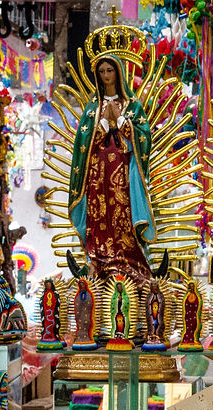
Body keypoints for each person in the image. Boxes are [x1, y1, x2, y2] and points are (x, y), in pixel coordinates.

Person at [67, 55, 155, 283]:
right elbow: (84, 145)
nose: (106, 75)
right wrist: (105, 122)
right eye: (102, 71)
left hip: (124, 174)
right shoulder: (93, 108)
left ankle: (130, 264)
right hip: (98, 176)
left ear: (118, 72)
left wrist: (122, 120)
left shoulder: (132, 105)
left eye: (110, 70)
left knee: (123, 215)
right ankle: (101, 264)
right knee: (100, 216)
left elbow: (143, 138)